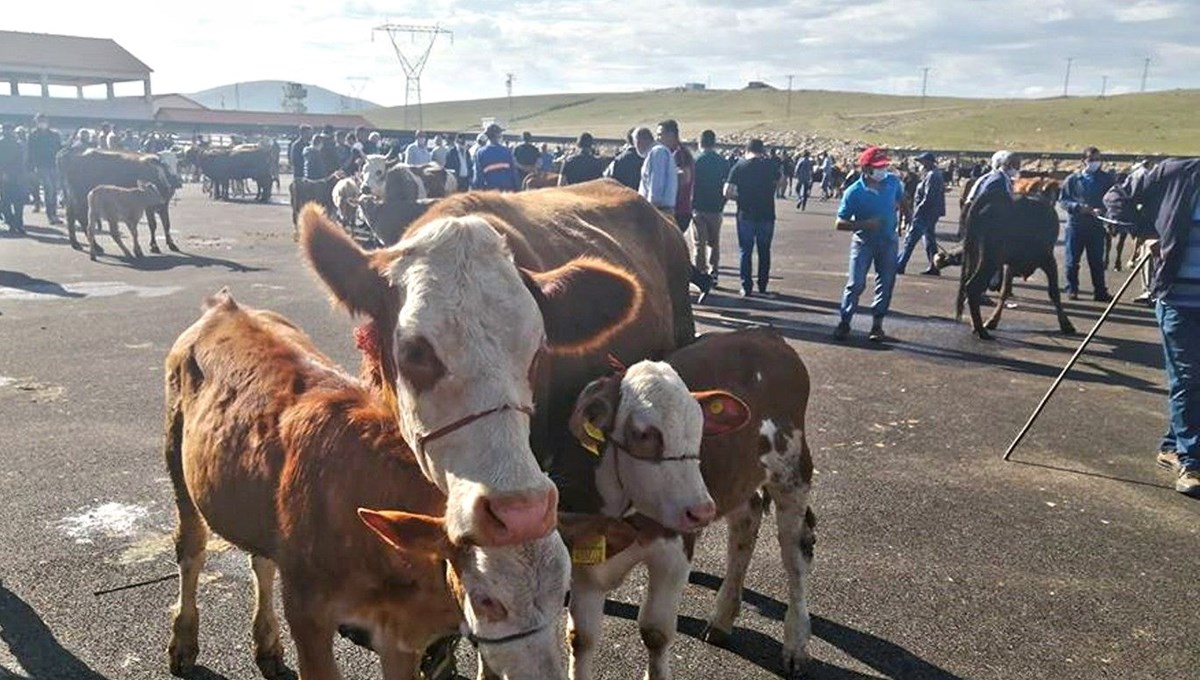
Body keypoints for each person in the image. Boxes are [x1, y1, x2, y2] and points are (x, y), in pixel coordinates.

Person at [1104, 158, 1200, 498]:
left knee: (1193, 378)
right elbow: (1116, 196)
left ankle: (1173, 444)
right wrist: (1145, 232)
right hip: (1178, 296)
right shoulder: (1175, 172)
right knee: (1188, 377)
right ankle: (1192, 462)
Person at [833, 146, 905, 342]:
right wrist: (865, 224)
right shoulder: (854, 192)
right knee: (856, 283)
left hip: (888, 241)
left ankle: (877, 324)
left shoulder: (893, 182)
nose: (883, 171)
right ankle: (845, 321)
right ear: (866, 169)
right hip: (864, 241)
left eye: (884, 166)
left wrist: (905, 218)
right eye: (878, 167)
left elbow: (902, 199)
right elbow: (840, 223)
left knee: (886, 282)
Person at [1059, 147, 1115, 302]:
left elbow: (1114, 198)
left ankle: (1100, 291)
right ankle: (1072, 289)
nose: (1095, 163)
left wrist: (1103, 210)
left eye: (1098, 159)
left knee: (1096, 261)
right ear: (1084, 161)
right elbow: (1063, 200)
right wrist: (1078, 207)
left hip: (1096, 225)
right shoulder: (1072, 179)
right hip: (1076, 225)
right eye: (1091, 159)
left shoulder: (1106, 179)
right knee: (1072, 260)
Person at [724, 138, 778, 297]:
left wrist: (739, 198)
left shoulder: (739, 166)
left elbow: (727, 191)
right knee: (764, 250)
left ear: (746, 150)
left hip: (745, 214)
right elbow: (781, 181)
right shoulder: (770, 166)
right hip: (767, 213)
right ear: (762, 150)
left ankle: (746, 286)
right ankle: (763, 284)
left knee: (745, 251)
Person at [897, 151, 945, 276]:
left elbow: (929, 197)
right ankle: (934, 266)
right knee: (929, 241)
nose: (920, 165)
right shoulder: (931, 174)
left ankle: (900, 265)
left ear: (928, 162)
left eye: (922, 162)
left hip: (925, 213)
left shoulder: (933, 176)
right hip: (930, 213)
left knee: (910, 239)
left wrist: (917, 212)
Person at [692, 129, 729, 288]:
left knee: (699, 243)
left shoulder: (695, 160)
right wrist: (722, 202)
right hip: (715, 207)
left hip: (698, 207)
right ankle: (714, 273)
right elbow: (727, 184)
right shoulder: (722, 161)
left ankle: (701, 273)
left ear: (700, 143)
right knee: (714, 243)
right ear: (714, 143)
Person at [27, 114, 62, 225]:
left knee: (54, 191)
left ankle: (54, 214)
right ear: (36, 122)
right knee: (49, 190)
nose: (42, 123)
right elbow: (30, 152)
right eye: (40, 121)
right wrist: (31, 167)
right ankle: (51, 215)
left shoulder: (54, 135)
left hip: (54, 165)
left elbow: (59, 149)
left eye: (44, 120)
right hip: (41, 166)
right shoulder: (33, 135)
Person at [638, 124, 678, 214]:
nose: (657, 138)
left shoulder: (658, 152)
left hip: (658, 209)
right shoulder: (664, 151)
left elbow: (656, 182)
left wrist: (651, 209)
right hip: (664, 208)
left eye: (660, 134)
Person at [472, 123, 519, 191]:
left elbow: (478, 177)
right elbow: (514, 174)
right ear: (498, 135)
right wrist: (517, 189)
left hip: (490, 192)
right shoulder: (507, 151)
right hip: (507, 191)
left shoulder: (480, 153)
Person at [0, 123, 27, 234]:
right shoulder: (18, 144)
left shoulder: (16, 144)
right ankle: (17, 224)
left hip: (9, 175)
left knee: (8, 201)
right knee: (17, 202)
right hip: (14, 176)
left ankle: (13, 223)